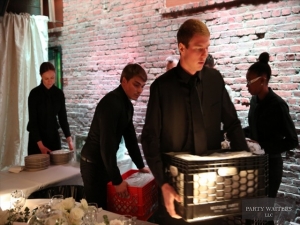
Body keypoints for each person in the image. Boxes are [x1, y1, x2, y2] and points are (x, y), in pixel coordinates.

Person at [141, 19, 248, 225]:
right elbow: (149, 138)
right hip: (175, 185)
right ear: (182, 48)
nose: (204, 54)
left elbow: (232, 124)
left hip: (213, 183)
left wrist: (242, 164)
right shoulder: (161, 87)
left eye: (207, 48)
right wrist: (162, 184)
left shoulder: (214, 80)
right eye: (199, 48)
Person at [80, 63, 150, 209]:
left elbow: (131, 139)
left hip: (104, 162)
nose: (140, 90)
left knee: (107, 208)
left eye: (142, 86)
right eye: (136, 85)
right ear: (124, 81)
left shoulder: (127, 105)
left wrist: (141, 166)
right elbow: (106, 145)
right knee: (96, 211)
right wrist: (117, 181)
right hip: (92, 164)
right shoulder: (111, 103)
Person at [243, 53, 298, 201]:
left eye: (249, 81)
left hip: (271, 166)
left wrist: (263, 146)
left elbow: (292, 140)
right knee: (251, 211)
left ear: (262, 80)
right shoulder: (254, 101)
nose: (246, 85)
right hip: (254, 164)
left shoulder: (278, 105)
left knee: (264, 213)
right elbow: (255, 127)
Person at [27, 62, 73, 155]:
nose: (50, 81)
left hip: (53, 137)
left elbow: (63, 119)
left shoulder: (59, 94)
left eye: (52, 78)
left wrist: (69, 140)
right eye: (46, 78)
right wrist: (41, 146)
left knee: (56, 168)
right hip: (37, 140)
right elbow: (33, 122)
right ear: (41, 76)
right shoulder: (34, 94)